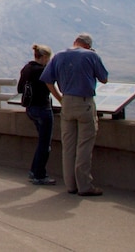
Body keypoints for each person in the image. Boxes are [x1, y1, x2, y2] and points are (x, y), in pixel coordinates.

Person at [41, 33, 109, 196]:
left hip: (67, 103)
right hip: (84, 102)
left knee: (69, 145)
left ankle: (70, 185)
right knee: (84, 145)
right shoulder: (91, 55)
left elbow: (47, 80)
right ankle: (84, 185)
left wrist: (60, 99)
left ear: (75, 42)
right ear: (87, 45)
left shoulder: (59, 56)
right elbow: (104, 78)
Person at [18, 44, 56, 185]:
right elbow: (50, 87)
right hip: (43, 108)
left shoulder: (27, 68)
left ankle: (35, 171)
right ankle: (39, 174)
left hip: (31, 109)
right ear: (45, 57)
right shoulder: (43, 71)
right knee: (45, 144)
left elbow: (20, 88)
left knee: (42, 142)